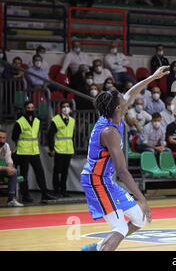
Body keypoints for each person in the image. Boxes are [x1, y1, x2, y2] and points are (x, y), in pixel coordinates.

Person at [80, 65, 169, 251]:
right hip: (95, 180)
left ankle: (97, 247)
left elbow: (132, 92)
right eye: (122, 97)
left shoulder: (116, 115)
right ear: (119, 107)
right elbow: (122, 171)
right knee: (120, 227)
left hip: (106, 180)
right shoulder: (109, 131)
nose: (125, 96)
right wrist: (142, 199)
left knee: (139, 220)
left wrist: (152, 77)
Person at [12, 102, 57, 203]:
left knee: (40, 172)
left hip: (34, 151)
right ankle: (25, 195)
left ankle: (44, 194)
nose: (30, 110)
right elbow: (14, 137)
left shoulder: (37, 120)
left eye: (32, 108)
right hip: (23, 151)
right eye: (28, 108)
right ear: (25, 109)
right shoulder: (20, 122)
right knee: (24, 174)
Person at [47, 101, 75, 198]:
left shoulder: (72, 120)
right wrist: (51, 148)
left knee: (65, 171)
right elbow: (50, 135)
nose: (65, 108)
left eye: (67, 106)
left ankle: (63, 190)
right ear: (60, 108)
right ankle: (56, 190)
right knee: (57, 171)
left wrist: (73, 149)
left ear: (70, 109)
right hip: (58, 149)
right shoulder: (56, 120)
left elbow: (72, 136)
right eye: (63, 106)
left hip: (68, 149)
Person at [0, 129, 24, 207]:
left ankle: (11, 200)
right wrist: (6, 169)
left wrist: (9, 168)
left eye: (4, 138)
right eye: (0, 137)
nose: (1, 140)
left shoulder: (6, 146)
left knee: (14, 171)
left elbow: (9, 159)